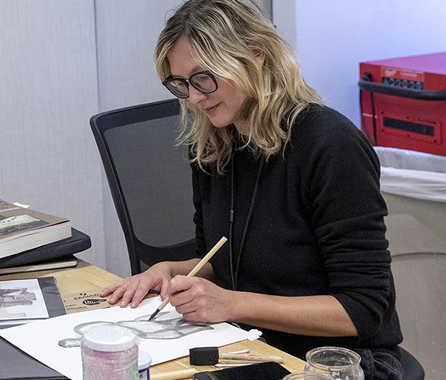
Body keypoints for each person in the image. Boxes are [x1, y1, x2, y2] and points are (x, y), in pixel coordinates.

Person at [99, 1, 404, 378]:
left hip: (331, 361)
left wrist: (231, 304)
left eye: (204, 78)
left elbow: (362, 308)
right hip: (247, 344)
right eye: (181, 84)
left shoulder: (330, 146)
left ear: (255, 56)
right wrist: (173, 271)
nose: (194, 97)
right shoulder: (213, 146)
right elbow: (224, 260)